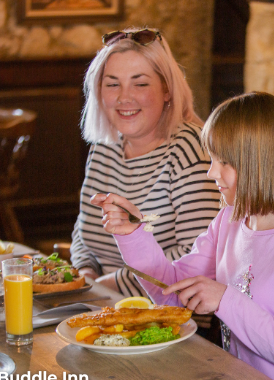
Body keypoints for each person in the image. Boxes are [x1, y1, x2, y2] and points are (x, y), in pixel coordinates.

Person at [94, 92, 274, 380]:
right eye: (213, 159)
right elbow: (174, 293)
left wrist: (225, 300)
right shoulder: (229, 220)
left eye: (225, 162)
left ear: (262, 163)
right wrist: (131, 234)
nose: (211, 172)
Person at [69, 27, 221, 298]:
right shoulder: (104, 146)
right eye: (113, 84)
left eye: (140, 84)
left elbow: (198, 256)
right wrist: (85, 275)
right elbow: (84, 231)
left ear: (166, 90)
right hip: (101, 301)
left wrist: (108, 286)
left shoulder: (189, 149)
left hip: (170, 313)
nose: (124, 97)